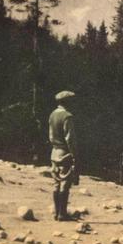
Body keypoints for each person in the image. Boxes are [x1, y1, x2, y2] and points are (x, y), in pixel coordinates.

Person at [49, 90, 78, 221]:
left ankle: (56, 212)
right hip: (64, 152)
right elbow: (70, 138)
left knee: (56, 183)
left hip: (54, 151)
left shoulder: (53, 114)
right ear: (67, 102)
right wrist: (74, 154)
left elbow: (50, 134)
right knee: (65, 183)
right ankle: (62, 214)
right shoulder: (67, 116)